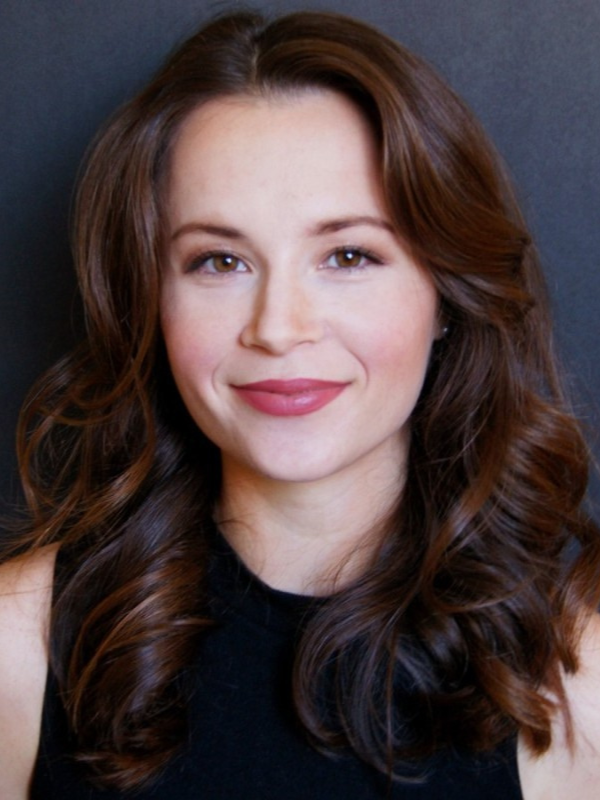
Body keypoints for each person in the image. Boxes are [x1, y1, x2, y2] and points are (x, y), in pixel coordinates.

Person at [1, 9, 599, 799]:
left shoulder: (580, 669)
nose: (279, 329)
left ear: (446, 293)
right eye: (218, 261)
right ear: (150, 298)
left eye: (349, 255)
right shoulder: (18, 639)